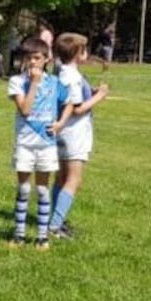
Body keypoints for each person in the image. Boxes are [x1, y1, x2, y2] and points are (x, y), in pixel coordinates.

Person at [7, 37, 73, 250]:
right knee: (24, 188)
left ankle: (42, 237)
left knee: (43, 188)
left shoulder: (54, 83)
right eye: (29, 58)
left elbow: (70, 102)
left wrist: (61, 123)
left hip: (46, 144)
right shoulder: (17, 82)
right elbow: (25, 110)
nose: (33, 62)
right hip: (25, 143)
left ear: (47, 59)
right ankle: (19, 235)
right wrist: (34, 83)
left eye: (37, 58)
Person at [50, 33, 109, 239]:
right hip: (73, 133)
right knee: (74, 180)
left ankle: (56, 220)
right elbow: (76, 108)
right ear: (77, 53)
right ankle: (55, 226)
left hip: (62, 133)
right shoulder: (72, 76)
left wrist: (89, 92)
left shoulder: (63, 72)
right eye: (84, 50)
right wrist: (99, 97)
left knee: (61, 178)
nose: (87, 53)